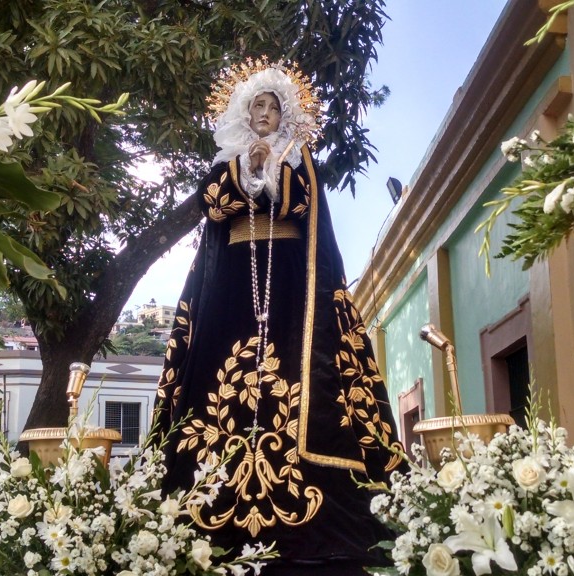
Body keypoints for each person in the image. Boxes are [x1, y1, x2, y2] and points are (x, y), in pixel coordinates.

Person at [154, 58, 405, 575]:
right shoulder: (230, 159)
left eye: (272, 106)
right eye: (257, 106)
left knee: (301, 376)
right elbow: (214, 204)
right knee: (215, 375)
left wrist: (274, 171)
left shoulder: (298, 157)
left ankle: (309, 510)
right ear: (244, 113)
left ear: (284, 113)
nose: (265, 113)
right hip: (230, 287)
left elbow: (302, 203)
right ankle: (206, 499)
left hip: (293, 284)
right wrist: (248, 171)